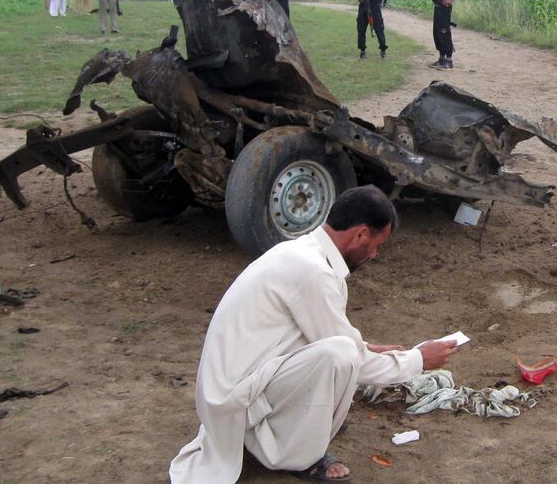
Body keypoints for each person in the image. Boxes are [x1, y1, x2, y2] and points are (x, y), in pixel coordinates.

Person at [169, 186, 457, 483]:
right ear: (359, 235)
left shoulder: (301, 252)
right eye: (376, 245)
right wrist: (417, 360)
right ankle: (299, 457)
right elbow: (350, 357)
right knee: (341, 356)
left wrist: (369, 347)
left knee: (346, 350)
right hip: (233, 403)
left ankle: (296, 428)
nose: (374, 254)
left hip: (235, 387)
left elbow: (313, 332)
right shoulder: (313, 270)